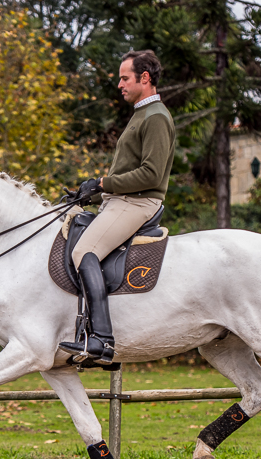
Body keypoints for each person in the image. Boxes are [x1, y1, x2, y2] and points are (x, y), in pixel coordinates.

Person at [59, 49, 176, 365]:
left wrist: (102, 184)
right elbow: (126, 173)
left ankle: (102, 340)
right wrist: (90, 194)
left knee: (84, 253)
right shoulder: (141, 114)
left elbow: (150, 174)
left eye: (125, 78)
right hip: (121, 201)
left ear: (145, 78)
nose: (120, 84)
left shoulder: (156, 117)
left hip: (139, 203)